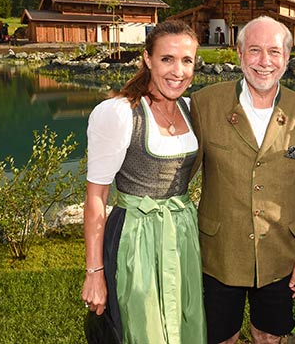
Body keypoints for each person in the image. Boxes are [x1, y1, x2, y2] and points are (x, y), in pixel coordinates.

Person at [190, 16, 295, 344]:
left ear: (287, 58)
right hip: (219, 251)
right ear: (238, 54)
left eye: (274, 52)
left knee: (270, 335)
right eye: (254, 50)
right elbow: (181, 172)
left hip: (281, 253)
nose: (264, 62)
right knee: (222, 337)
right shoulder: (205, 104)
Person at [81, 20, 205, 343]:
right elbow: (97, 197)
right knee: (143, 328)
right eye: (167, 59)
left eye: (187, 60)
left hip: (182, 236)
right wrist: (94, 273)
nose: (178, 71)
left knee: (184, 323)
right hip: (136, 238)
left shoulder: (192, 110)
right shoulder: (121, 114)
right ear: (147, 59)